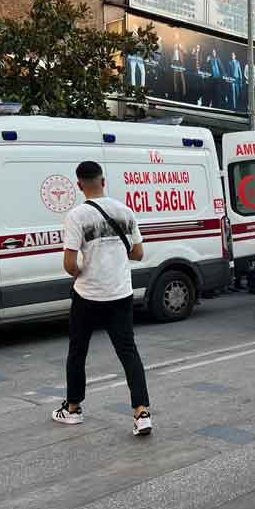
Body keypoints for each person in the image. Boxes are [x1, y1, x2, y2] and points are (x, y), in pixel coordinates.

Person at [54, 161, 152, 436]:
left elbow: (69, 264)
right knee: (128, 352)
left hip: (89, 295)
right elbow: (138, 253)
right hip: (120, 293)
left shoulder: (77, 216)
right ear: (103, 181)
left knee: (78, 351)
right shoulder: (125, 211)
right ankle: (141, 412)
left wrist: (82, 271)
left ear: (78, 185)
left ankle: (72, 409)